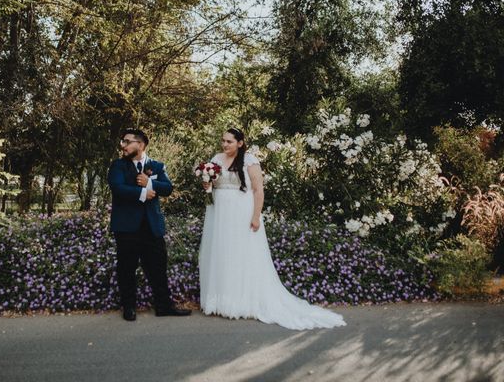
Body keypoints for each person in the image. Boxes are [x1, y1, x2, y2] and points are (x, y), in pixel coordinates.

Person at [198, 128, 346, 330]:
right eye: (223, 141)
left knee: (241, 255)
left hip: (241, 212)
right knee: (222, 253)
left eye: (229, 142)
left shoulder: (250, 161)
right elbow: (211, 186)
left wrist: (256, 216)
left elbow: (258, 190)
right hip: (219, 213)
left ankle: (242, 302)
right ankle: (222, 301)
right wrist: (206, 182)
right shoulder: (216, 158)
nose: (225, 145)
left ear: (240, 143)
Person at [108, 128, 192, 321]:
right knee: (126, 268)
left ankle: (164, 306)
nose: (123, 145)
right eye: (123, 142)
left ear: (141, 144)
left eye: (127, 141)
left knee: (158, 267)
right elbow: (118, 188)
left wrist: (149, 183)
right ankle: (129, 307)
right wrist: (143, 193)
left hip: (152, 226)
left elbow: (168, 188)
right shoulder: (118, 166)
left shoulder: (157, 166)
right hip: (127, 227)